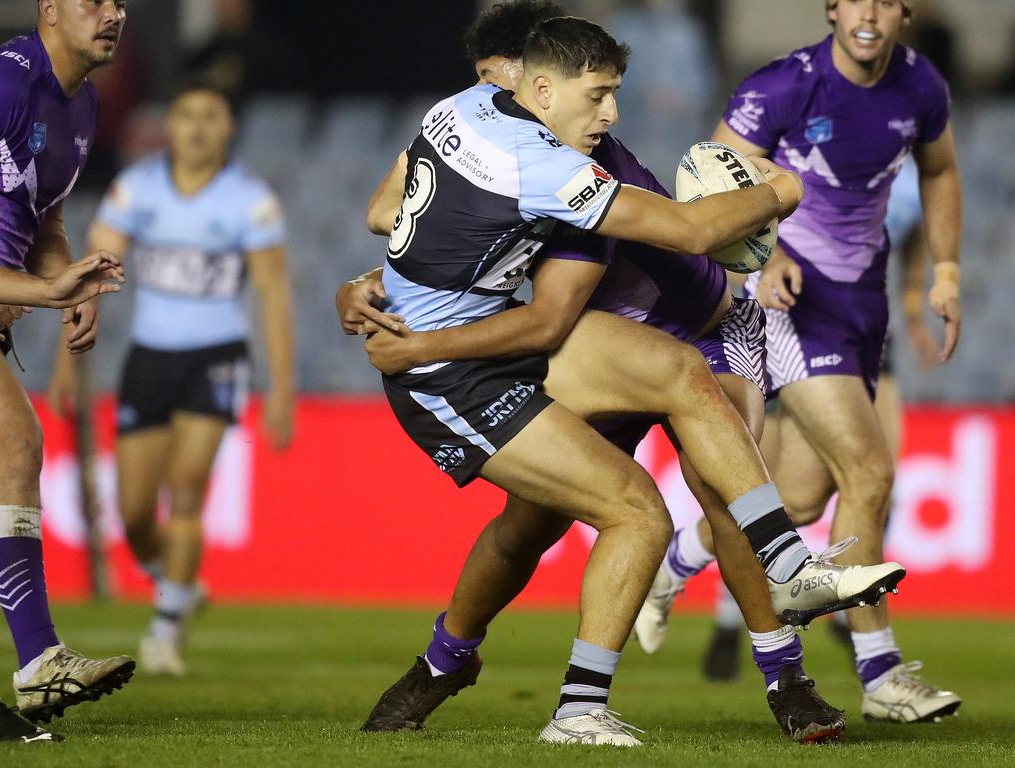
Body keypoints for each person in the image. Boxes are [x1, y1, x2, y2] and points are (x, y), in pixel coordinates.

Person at [343, 11, 897, 746]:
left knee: (717, 474)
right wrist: (778, 193)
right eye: (598, 95)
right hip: (519, 344)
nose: (611, 113)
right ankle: (455, 667)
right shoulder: (550, 164)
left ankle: (787, 665)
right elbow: (543, 304)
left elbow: (401, 211)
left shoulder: (483, 122)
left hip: (692, 324)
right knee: (545, 524)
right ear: (531, 84)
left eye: (613, 94)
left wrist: (382, 285)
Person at [635, 0, 963, 723]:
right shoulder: (782, 87)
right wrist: (770, 250)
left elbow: (939, 171)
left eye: (886, 0)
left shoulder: (922, 88)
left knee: (806, 500)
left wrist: (943, 270)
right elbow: (706, 174)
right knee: (871, 471)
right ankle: (881, 677)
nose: (870, 13)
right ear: (832, 9)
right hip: (790, 303)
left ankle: (679, 559)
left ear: (905, 13)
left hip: (863, 304)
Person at [47, 80, 295, 676]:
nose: (198, 127)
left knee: (186, 490)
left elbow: (272, 293)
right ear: (172, 125)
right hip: (149, 359)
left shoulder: (248, 200)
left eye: (211, 115)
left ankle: (164, 632)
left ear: (227, 128)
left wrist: (282, 387)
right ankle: (176, 585)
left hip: (215, 357)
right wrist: (65, 360)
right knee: (132, 515)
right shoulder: (137, 189)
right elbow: (88, 275)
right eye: (187, 114)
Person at [0, 0, 136, 744]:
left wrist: (63, 281)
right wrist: (34, 291)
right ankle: (39, 659)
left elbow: (41, 220)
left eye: (120, 3)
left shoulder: (81, 108)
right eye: (93, 0)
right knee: (13, 442)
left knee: (13, 449)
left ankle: (39, 661)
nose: (112, 14)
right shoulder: (4, 85)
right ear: (49, 10)